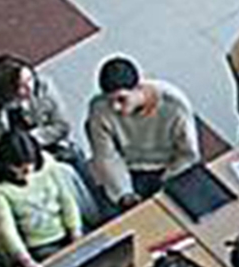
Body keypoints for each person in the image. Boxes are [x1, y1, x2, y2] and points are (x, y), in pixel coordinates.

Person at [0, 51, 82, 190]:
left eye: (30, 79)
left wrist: (30, 141)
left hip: (44, 148)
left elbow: (62, 126)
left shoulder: (43, 87)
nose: (30, 87)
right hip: (4, 158)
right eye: (21, 85)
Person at [85, 60, 202, 209]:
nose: (115, 107)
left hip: (171, 168)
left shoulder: (174, 105)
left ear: (138, 88)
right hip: (131, 171)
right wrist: (124, 193)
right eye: (110, 100)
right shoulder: (99, 109)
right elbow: (107, 156)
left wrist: (167, 182)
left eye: (121, 99)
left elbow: (188, 154)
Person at [0, 126, 83, 267]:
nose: (28, 174)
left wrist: (76, 233)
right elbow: (6, 228)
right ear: (7, 165)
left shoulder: (47, 162)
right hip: (40, 245)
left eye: (31, 167)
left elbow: (67, 199)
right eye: (21, 170)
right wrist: (28, 262)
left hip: (68, 232)